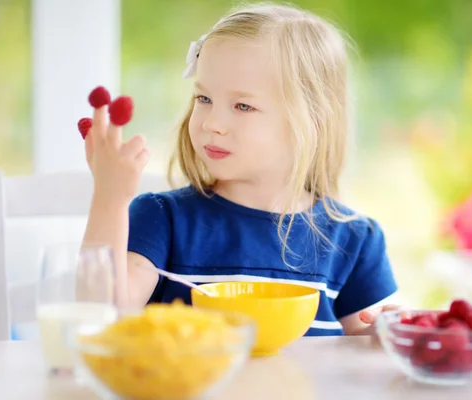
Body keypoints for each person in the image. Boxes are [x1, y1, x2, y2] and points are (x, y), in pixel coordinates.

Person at [82, 2, 398, 336]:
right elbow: (102, 316)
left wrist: (383, 334)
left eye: (243, 105)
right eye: (204, 99)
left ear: (312, 120)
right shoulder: (162, 219)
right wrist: (109, 198)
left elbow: (360, 354)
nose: (212, 123)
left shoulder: (354, 239)